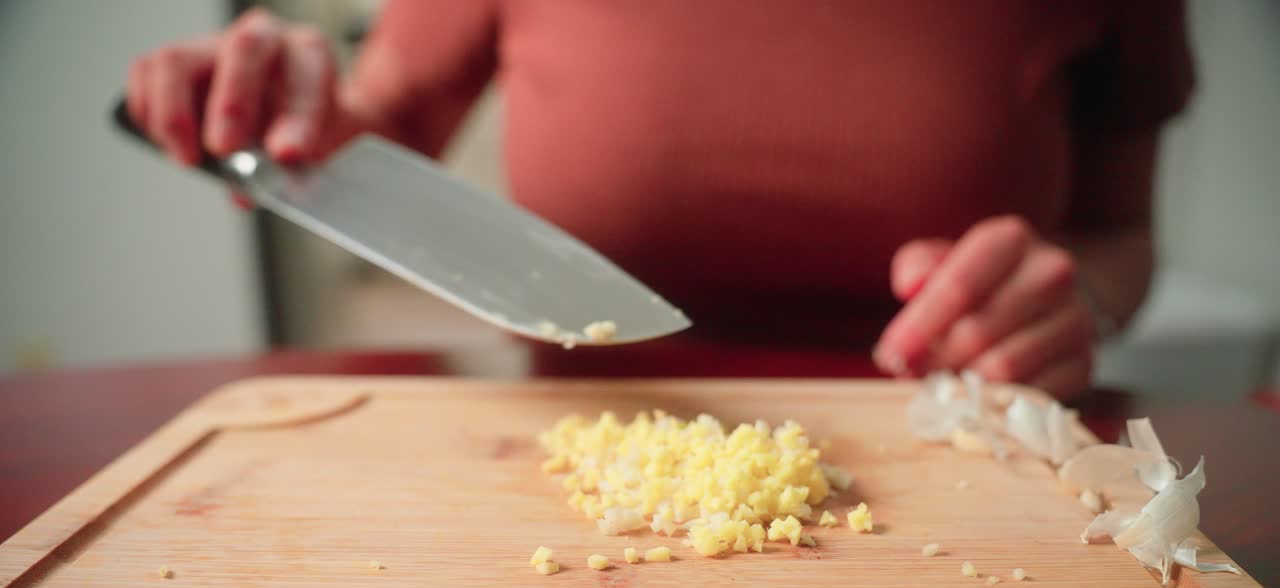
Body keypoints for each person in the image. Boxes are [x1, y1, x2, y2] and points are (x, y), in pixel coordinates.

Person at [124, 1, 1194, 399]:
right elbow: (377, 127)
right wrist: (281, 108)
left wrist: (1076, 301)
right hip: (573, 457)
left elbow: (1121, 237)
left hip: (967, 462)